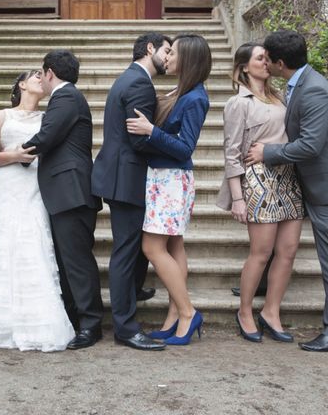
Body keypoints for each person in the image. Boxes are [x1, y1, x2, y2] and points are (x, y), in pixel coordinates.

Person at [245, 30, 328, 352]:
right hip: (316, 183)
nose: (264, 63)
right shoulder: (299, 83)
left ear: (280, 63)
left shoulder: (314, 91)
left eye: (267, 59)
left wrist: (267, 153)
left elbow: (311, 146)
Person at [0, 70, 75, 352]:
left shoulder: (48, 118)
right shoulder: (3, 115)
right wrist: (13, 156)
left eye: (43, 75)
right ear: (21, 85)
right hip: (6, 184)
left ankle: (37, 321)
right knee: (3, 241)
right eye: (34, 75)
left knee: (33, 241)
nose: (41, 78)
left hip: (35, 186)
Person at [126, 34, 211, 345]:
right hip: (166, 178)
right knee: (174, 247)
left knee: (152, 248)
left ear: (186, 58)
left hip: (172, 180)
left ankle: (188, 313)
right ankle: (174, 317)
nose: (166, 57)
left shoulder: (196, 98)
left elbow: (185, 147)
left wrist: (151, 131)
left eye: (172, 53)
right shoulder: (183, 91)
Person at [217, 42, 304, 343]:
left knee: (289, 250)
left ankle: (271, 311)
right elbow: (230, 155)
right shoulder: (238, 103)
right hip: (257, 180)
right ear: (244, 66)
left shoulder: (280, 96)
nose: (266, 63)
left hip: (288, 178)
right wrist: (237, 198)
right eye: (259, 58)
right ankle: (244, 312)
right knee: (261, 252)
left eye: (268, 58)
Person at [91, 32, 172, 351]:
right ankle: (125, 327)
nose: (169, 58)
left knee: (134, 247)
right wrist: (169, 140)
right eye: (167, 51)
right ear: (150, 49)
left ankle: (134, 292)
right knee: (125, 251)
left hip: (121, 174)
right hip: (126, 178)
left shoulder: (129, 78)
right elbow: (139, 138)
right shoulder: (139, 83)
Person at [22, 50, 104, 350]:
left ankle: (91, 324)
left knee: (77, 261)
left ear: (49, 73)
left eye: (41, 75)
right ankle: (76, 317)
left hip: (72, 192)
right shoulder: (67, 97)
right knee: (68, 261)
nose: (40, 80)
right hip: (65, 192)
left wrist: (13, 155)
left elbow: (46, 136)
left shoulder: (66, 97)